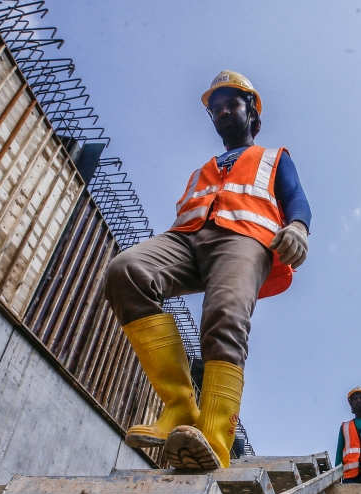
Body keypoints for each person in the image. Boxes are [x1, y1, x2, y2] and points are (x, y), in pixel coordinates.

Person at [104, 71, 311, 470]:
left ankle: (213, 439)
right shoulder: (203, 169)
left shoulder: (274, 157)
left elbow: (296, 197)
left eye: (231, 104)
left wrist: (298, 227)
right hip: (187, 239)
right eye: (215, 109)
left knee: (224, 314)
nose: (221, 112)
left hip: (245, 238)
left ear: (252, 111)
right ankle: (179, 405)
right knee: (126, 270)